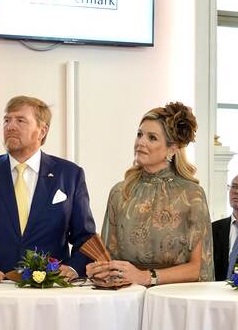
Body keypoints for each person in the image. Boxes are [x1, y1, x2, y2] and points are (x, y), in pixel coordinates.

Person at [0, 95, 96, 282]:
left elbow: (86, 237)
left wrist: (72, 268)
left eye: (20, 120)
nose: (10, 126)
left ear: (42, 131)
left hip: (51, 289)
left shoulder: (70, 175)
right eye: (6, 120)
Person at [87, 102, 213, 286]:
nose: (140, 142)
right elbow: (109, 258)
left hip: (172, 300)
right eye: (139, 134)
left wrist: (147, 277)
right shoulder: (120, 192)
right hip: (128, 298)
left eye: (152, 137)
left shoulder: (192, 195)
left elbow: (198, 268)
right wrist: (100, 271)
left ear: (172, 149)